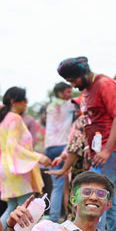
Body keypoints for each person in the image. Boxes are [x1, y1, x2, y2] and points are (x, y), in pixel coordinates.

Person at [57, 56, 116, 231]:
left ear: (82, 73)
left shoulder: (105, 84)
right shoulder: (88, 90)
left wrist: (107, 150)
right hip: (100, 151)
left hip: (112, 150)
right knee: (108, 198)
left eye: (73, 80)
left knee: (95, 197)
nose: (73, 85)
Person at [0, 87, 50, 230]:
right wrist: (38, 157)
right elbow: (13, 146)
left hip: (8, 167)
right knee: (25, 206)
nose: (26, 103)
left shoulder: (4, 119)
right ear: (15, 101)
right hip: (16, 168)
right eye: (24, 100)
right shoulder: (14, 118)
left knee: (13, 207)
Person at [45, 82, 76, 223]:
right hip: (63, 147)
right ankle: (70, 218)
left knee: (57, 187)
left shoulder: (50, 106)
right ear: (61, 93)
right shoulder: (69, 105)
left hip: (50, 148)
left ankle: (53, 219)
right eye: (68, 91)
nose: (71, 94)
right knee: (68, 187)